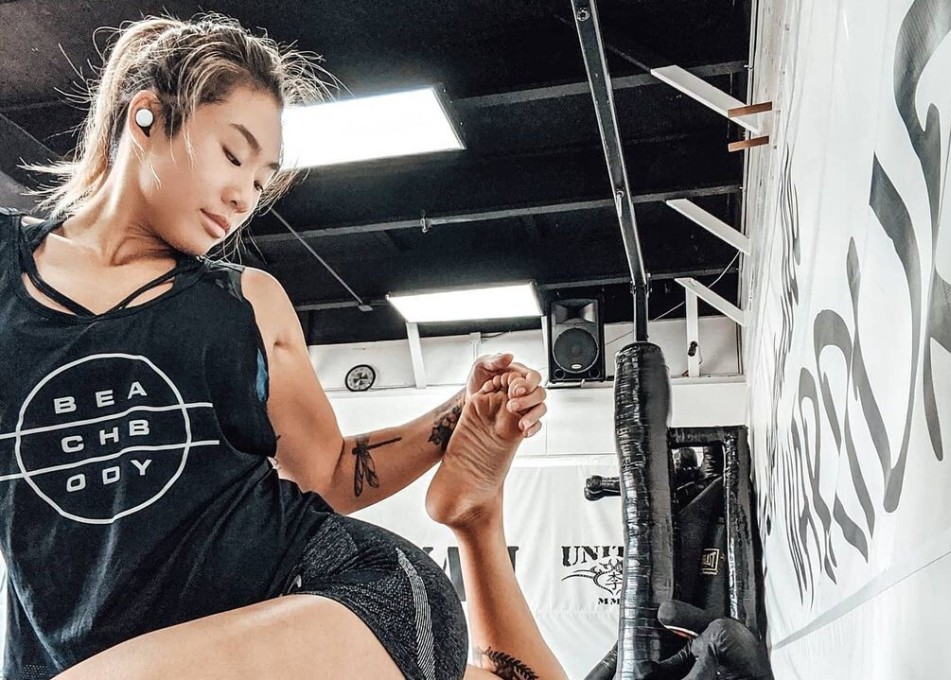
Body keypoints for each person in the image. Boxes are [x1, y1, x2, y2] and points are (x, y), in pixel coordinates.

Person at [0, 11, 566, 680]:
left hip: (337, 596)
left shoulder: (245, 301)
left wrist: (458, 416)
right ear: (145, 117)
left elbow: (331, 473)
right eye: (232, 155)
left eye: (261, 181)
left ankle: (475, 516)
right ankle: (476, 522)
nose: (244, 197)